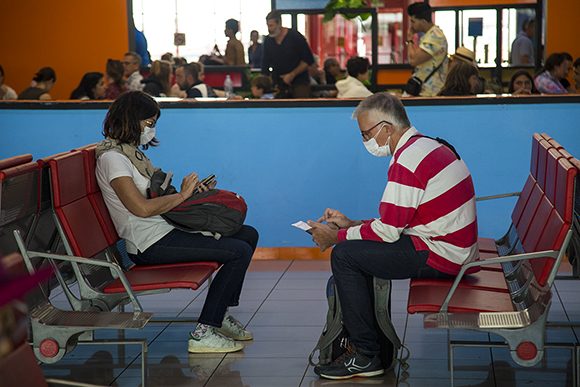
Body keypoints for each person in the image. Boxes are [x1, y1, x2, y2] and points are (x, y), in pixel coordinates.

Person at [308, 92, 478, 380]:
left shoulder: (407, 162)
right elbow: (397, 222)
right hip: (449, 246)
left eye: (366, 134)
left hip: (443, 255)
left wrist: (336, 237)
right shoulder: (424, 146)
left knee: (345, 257)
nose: (365, 142)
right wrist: (351, 224)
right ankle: (371, 346)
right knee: (355, 248)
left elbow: (388, 232)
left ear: (386, 128)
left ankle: (366, 355)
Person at [95, 91, 258, 353]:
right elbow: (141, 208)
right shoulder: (113, 159)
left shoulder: (131, 155)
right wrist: (183, 195)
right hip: (148, 244)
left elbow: (156, 198)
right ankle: (203, 332)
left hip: (164, 230)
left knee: (247, 235)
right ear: (130, 120)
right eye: (148, 123)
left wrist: (191, 194)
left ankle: (220, 314)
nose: (152, 129)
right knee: (238, 251)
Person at [262, 10, 314, 98]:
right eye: (268, 25)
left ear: (279, 24)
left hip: (299, 81)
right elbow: (265, 64)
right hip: (279, 83)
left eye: (271, 25)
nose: (269, 29)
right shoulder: (268, 41)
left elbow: (307, 60)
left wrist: (292, 75)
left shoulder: (295, 36)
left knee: (300, 105)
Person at [406, 2, 448, 97]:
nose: (411, 26)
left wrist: (409, 40)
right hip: (426, 89)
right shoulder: (430, 35)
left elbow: (413, 60)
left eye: (413, 21)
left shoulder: (435, 36)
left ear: (424, 21)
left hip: (431, 91)